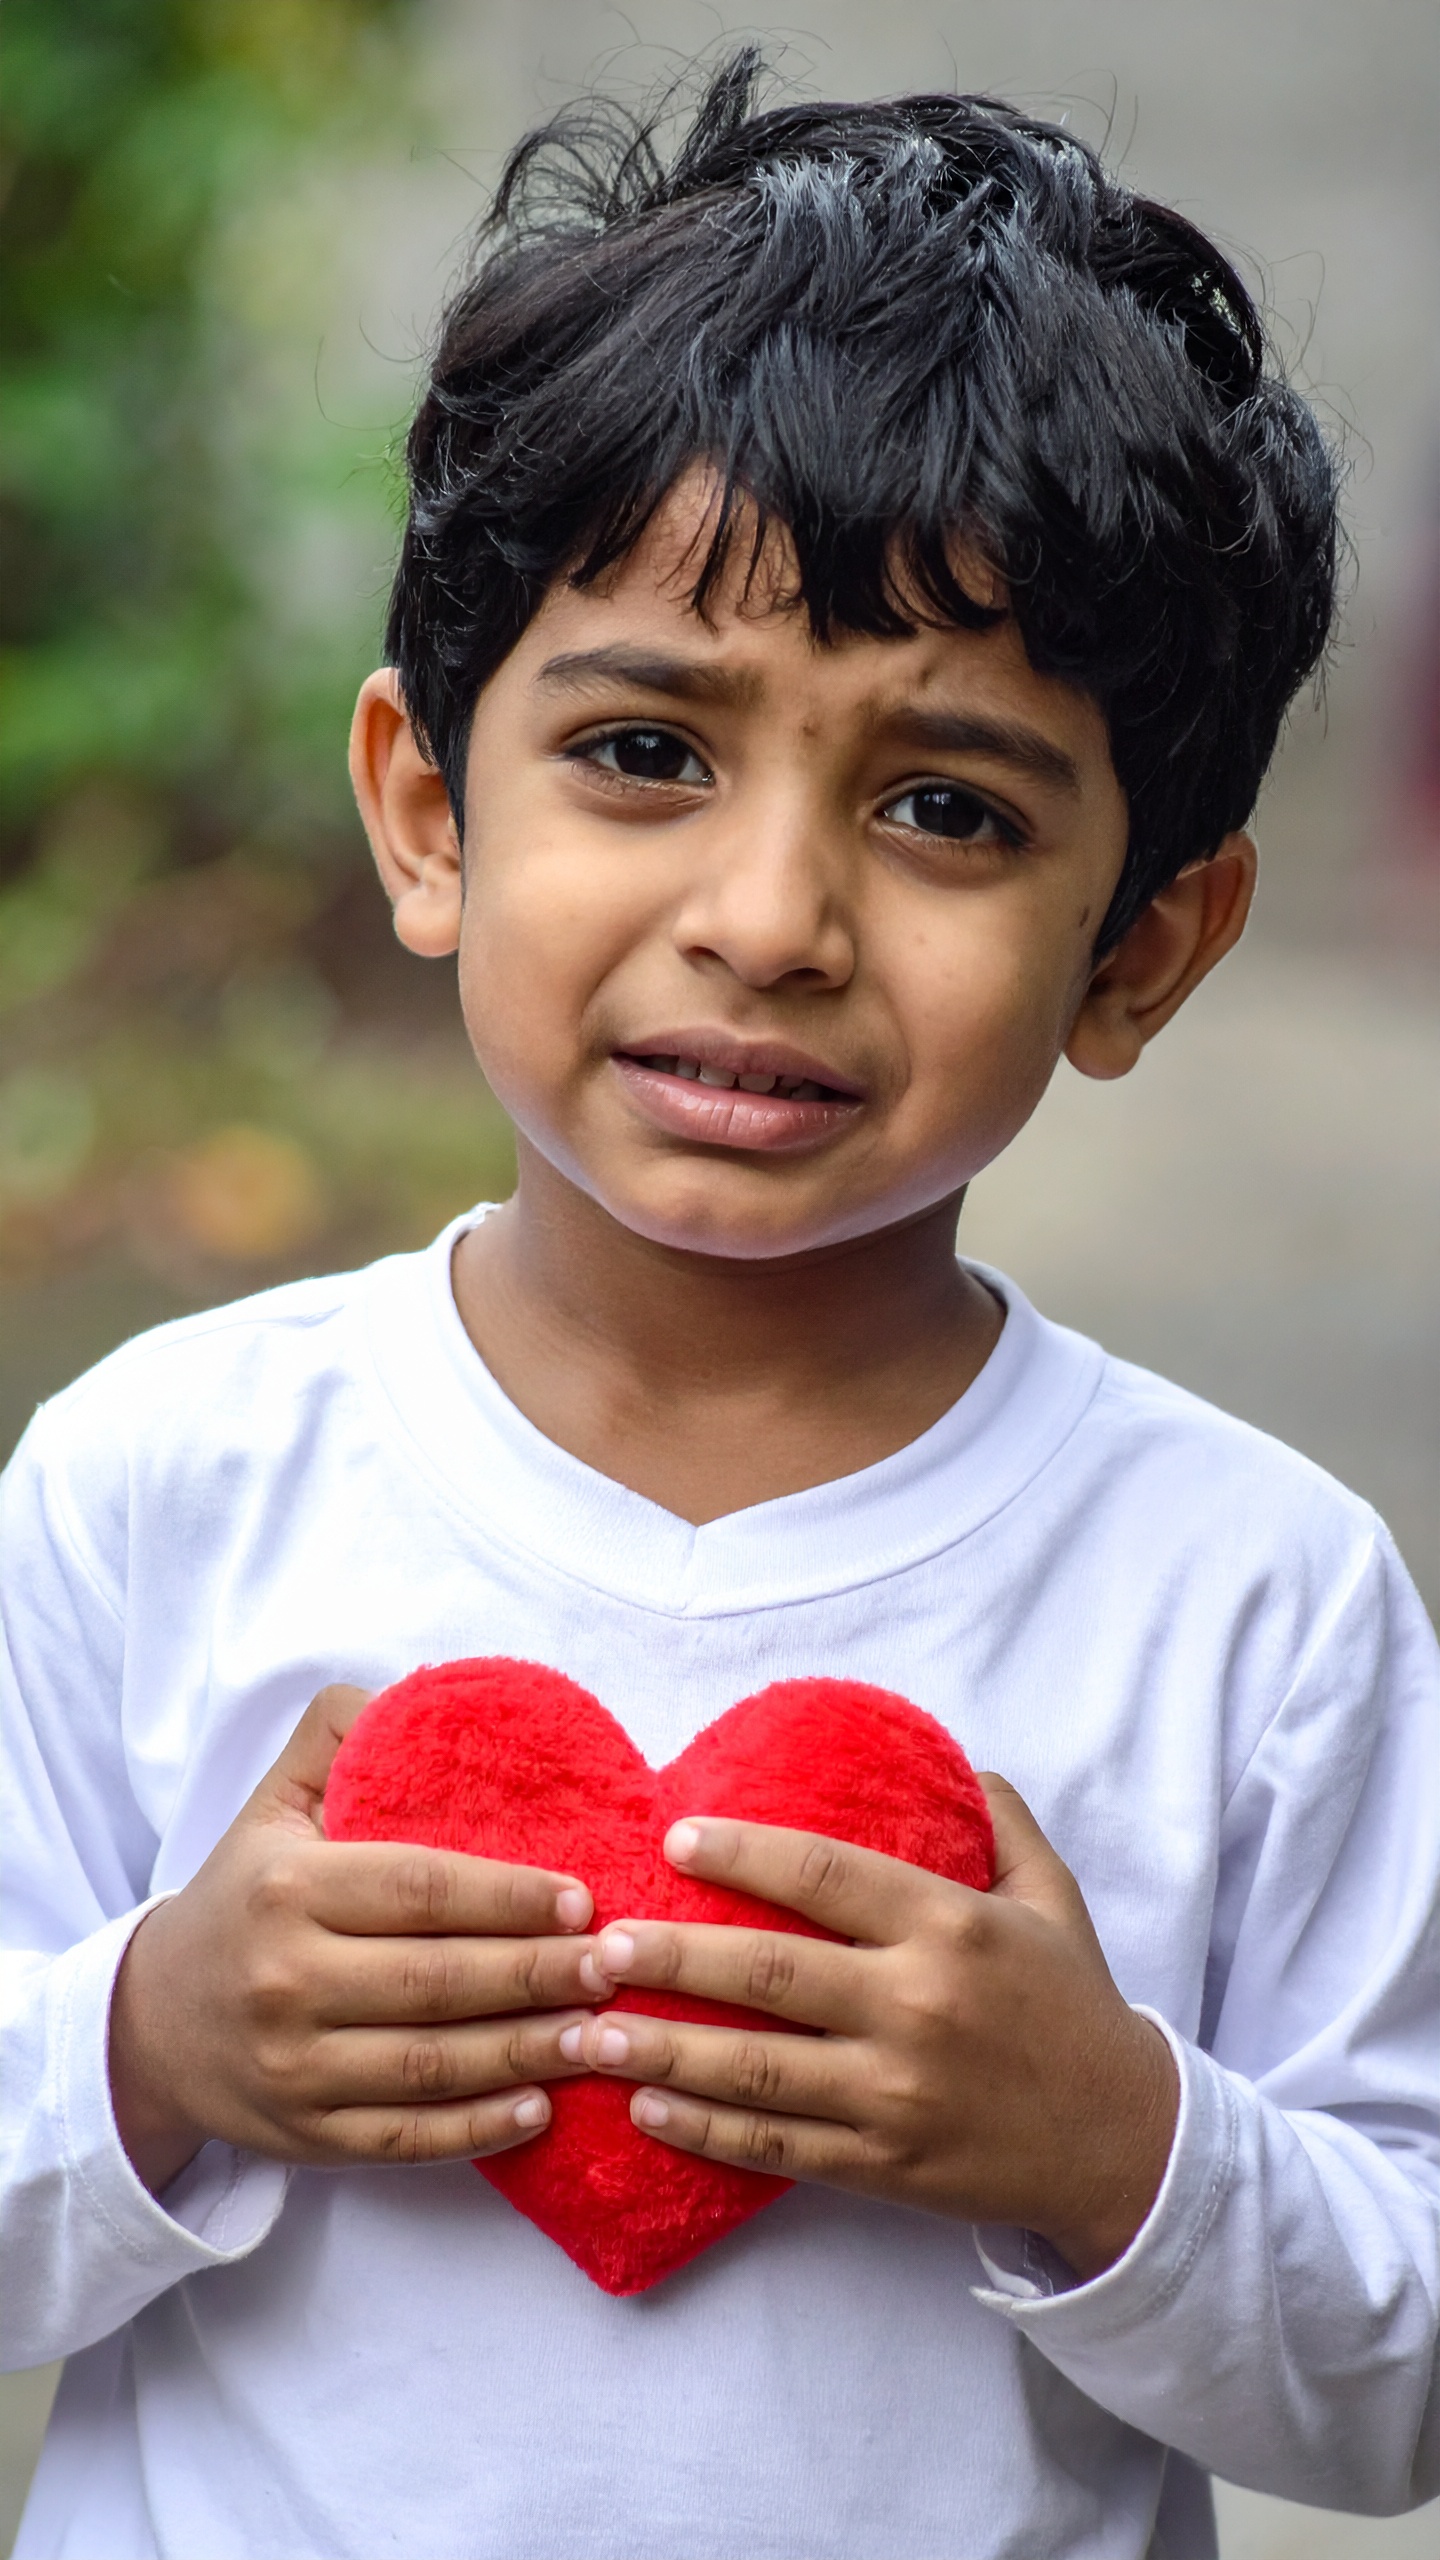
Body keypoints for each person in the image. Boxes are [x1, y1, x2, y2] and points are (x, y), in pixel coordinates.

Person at [2, 53, 1437, 2560]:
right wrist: (154, 2038)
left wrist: (1113, 2136)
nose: (771, 916)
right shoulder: (163, 1476)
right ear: (432, 811)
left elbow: (1395, 2378)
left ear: (1150, 945)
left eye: (947, 807)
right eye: (648, 746)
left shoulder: (1259, 1602)